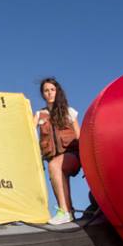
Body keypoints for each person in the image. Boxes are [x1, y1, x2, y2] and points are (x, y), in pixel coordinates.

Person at [35, 77, 81, 225]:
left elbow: (79, 136)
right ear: (43, 94)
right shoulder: (39, 114)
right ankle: (68, 211)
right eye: (46, 90)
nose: (50, 93)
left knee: (54, 166)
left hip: (72, 156)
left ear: (57, 91)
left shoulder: (69, 111)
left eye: (52, 90)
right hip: (53, 159)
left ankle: (64, 211)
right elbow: (29, 132)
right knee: (55, 169)